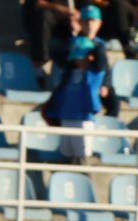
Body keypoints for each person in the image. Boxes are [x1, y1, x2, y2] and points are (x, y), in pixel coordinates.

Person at [42, 36, 105, 165]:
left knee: (82, 160)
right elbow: (57, 55)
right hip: (66, 116)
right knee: (67, 157)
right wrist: (73, 40)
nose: (80, 60)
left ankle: (84, 182)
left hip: (83, 119)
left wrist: (94, 45)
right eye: (77, 57)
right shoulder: (69, 72)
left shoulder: (94, 73)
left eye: (83, 56)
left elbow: (102, 61)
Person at [71, 4, 119, 117]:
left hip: (97, 83)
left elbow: (105, 68)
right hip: (81, 83)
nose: (90, 25)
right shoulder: (74, 42)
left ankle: (107, 127)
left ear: (100, 23)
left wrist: (105, 85)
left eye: (93, 21)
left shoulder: (100, 44)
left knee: (114, 104)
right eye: (86, 22)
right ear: (80, 23)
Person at [23, 0, 80, 88]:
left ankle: (80, 71)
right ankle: (39, 67)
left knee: (88, 20)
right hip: (44, 20)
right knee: (43, 16)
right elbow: (38, 4)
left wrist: (77, 19)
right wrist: (63, 10)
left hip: (65, 23)